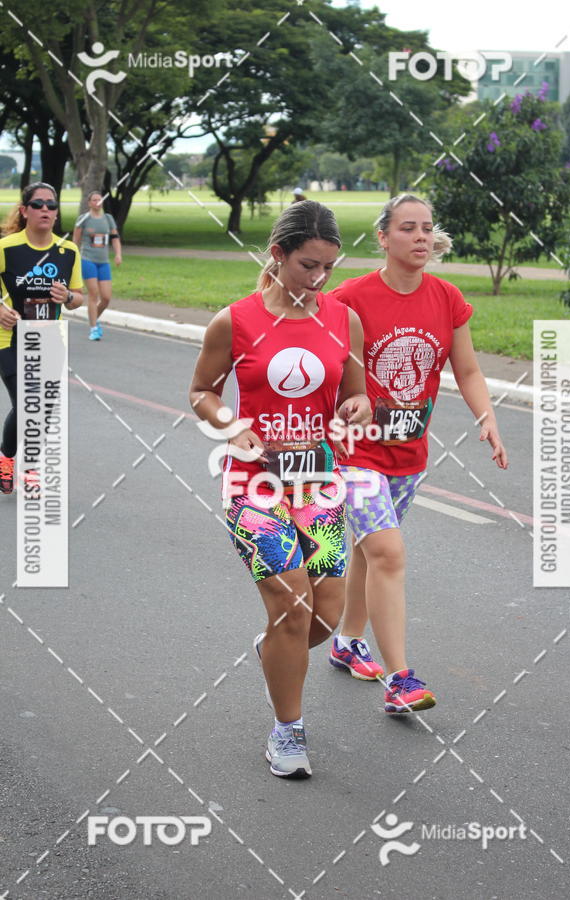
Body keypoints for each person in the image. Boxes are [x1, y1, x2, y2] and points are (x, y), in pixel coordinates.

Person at [189, 201, 371, 778]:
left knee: (326, 611)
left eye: (328, 267)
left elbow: (357, 390)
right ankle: (287, 731)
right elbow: (201, 392)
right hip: (254, 485)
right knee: (294, 607)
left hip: (318, 482)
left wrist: (358, 405)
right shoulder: (235, 321)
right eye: (307, 266)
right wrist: (230, 423)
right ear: (277, 255)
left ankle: (276, 650)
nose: (318, 279)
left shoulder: (343, 319)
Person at [326, 193, 508, 714]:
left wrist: (487, 417)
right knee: (387, 552)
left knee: (370, 549)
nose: (422, 237)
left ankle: (347, 640)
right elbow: (321, 358)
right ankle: (400, 680)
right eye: (408, 228)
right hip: (354, 452)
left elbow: (467, 369)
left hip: (410, 454)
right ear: (383, 237)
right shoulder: (351, 298)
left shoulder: (447, 298)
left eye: (427, 228)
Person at [0, 182, 83, 495]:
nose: (45, 209)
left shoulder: (67, 251)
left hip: (48, 339)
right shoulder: (7, 248)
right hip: (8, 338)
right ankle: (9, 457)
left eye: (51, 204)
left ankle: (30, 467)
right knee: (26, 404)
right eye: (38, 204)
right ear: (24, 211)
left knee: (42, 410)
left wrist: (67, 297)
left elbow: (78, 298)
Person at [73, 191, 122, 342]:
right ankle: (94, 328)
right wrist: (73, 260)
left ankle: (94, 319)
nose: (97, 202)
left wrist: (118, 254)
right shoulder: (84, 219)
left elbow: (115, 238)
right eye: (94, 200)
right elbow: (76, 240)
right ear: (89, 203)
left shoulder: (108, 219)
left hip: (104, 261)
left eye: (99, 199)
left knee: (106, 298)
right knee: (93, 294)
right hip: (88, 260)